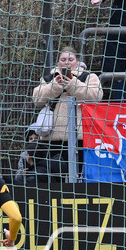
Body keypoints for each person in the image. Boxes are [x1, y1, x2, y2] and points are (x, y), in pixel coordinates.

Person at [31, 46, 103, 179]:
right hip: (51, 138)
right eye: (63, 59)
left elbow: (96, 96)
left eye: (70, 59)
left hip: (81, 138)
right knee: (53, 177)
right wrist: (55, 85)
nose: (67, 62)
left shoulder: (88, 77)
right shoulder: (48, 78)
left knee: (80, 176)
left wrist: (72, 83)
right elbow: (37, 99)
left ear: (77, 61)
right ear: (58, 62)